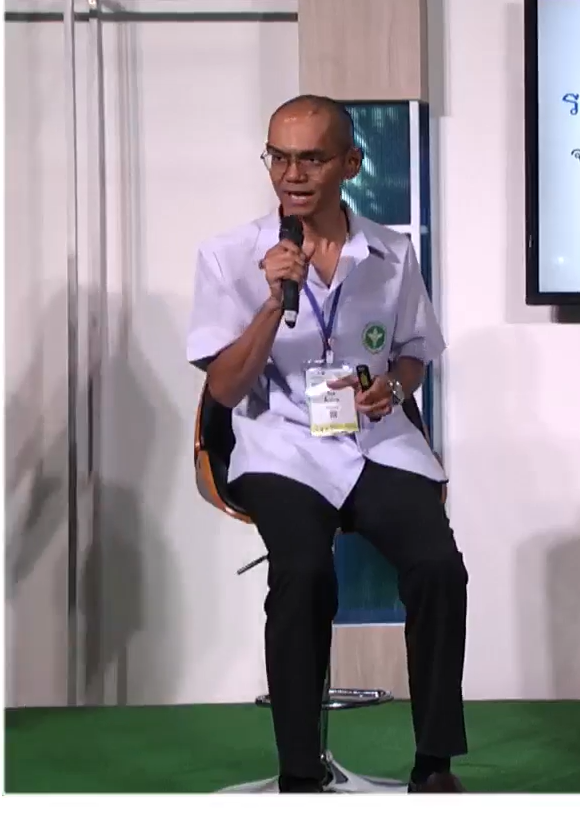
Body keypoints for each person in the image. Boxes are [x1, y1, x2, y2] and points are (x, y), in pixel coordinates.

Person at [186, 95, 468, 793]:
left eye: (311, 158)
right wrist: (272, 302)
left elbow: (413, 354)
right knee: (305, 572)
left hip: (375, 442)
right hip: (280, 445)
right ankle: (299, 772)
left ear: (351, 163)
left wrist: (393, 389)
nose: (292, 174)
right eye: (279, 157)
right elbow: (224, 388)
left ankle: (434, 763)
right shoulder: (228, 256)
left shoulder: (391, 253)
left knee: (438, 568)